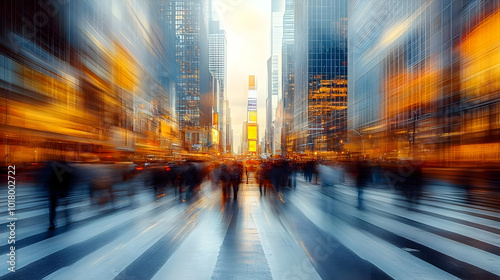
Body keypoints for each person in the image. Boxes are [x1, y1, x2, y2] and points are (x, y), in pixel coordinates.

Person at [46, 159, 74, 230]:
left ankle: (52, 223)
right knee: (65, 205)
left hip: (53, 190)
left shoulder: (54, 170)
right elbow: (69, 181)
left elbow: (49, 180)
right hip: (62, 190)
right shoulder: (67, 171)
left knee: (52, 207)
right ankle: (67, 219)